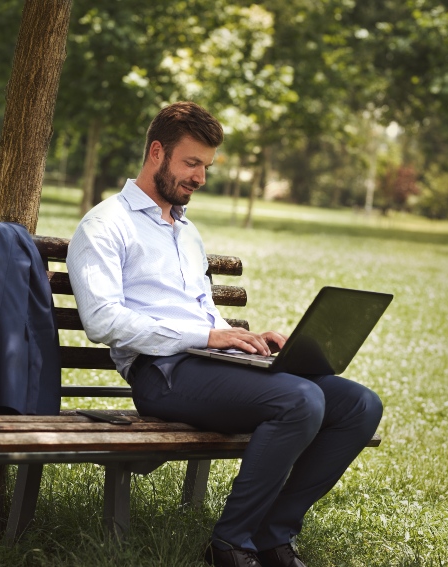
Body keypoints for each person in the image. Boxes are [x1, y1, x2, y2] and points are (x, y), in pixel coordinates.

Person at [66, 101, 383, 567]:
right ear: (157, 152)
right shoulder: (105, 224)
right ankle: (229, 544)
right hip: (161, 373)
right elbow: (102, 321)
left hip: (209, 367)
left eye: (206, 166)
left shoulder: (186, 232)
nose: (200, 178)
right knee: (301, 400)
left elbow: (203, 311)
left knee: (359, 404)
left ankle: (274, 536)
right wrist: (207, 337)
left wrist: (245, 341)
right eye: (191, 163)